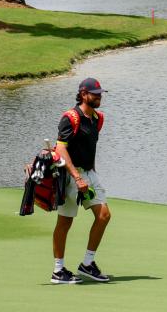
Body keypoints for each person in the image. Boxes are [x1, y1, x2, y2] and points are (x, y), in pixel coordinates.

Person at [50, 77, 112, 284]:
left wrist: (89, 172)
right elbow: (61, 149)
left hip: (88, 174)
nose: (99, 97)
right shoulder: (70, 117)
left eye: (100, 93)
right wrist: (76, 177)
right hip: (69, 175)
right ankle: (58, 271)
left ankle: (87, 264)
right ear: (84, 94)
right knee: (65, 222)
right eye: (95, 94)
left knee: (103, 215)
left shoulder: (98, 118)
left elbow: (89, 146)